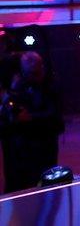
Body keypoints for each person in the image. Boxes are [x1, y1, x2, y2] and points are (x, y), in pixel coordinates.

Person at [0, 51, 64, 192]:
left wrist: (31, 118)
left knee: (43, 187)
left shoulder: (49, 87)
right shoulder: (18, 88)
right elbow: (7, 117)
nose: (35, 76)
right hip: (20, 154)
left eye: (36, 72)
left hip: (42, 151)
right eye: (30, 73)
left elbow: (56, 119)